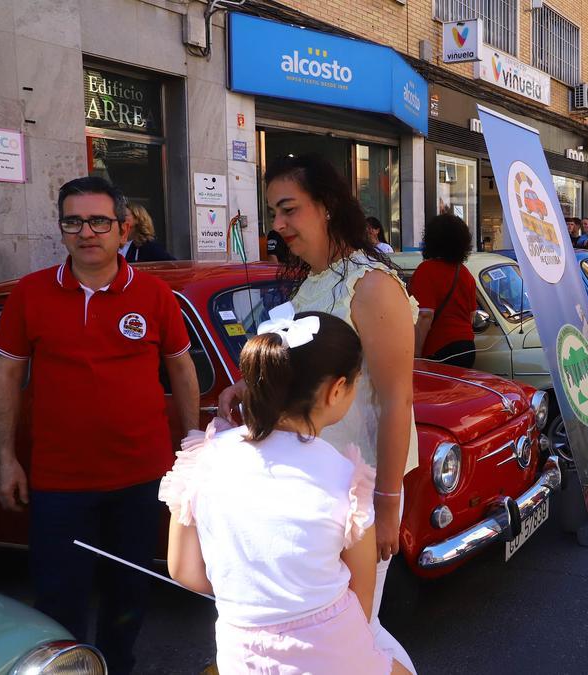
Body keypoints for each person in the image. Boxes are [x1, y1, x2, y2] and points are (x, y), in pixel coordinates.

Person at [0, 175, 199, 673]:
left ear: (122, 228)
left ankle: (117, 667)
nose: (87, 232)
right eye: (74, 221)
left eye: (99, 221)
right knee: (59, 601)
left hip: (140, 480)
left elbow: (182, 369)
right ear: (62, 229)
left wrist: (193, 448)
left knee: (128, 597)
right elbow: (7, 374)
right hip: (61, 484)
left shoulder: (153, 294)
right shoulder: (30, 293)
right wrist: (5, 459)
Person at [218, 154, 417, 672]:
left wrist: (387, 503)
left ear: (326, 207)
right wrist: (250, 386)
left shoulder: (370, 284)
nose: (278, 226)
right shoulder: (314, 279)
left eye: (289, 210)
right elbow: (306, 371)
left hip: (354, 494)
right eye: (273, 214)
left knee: (355, 626)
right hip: (303, 488)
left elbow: (399, 397)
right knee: (318, 628)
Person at [163, 311, 411, 675]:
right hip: (331, 652)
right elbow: (360, 595)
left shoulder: (202, 458)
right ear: (336, 390)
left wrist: (252, 596)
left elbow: (183, 570)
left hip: (240, 651)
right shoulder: (346, 479)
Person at [411, 213, 478, 368]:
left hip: (439, 349)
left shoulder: (426, 270)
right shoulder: (464, 272)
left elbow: (425, 315)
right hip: (467, 347)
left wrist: (416, 354)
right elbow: (471, 316)